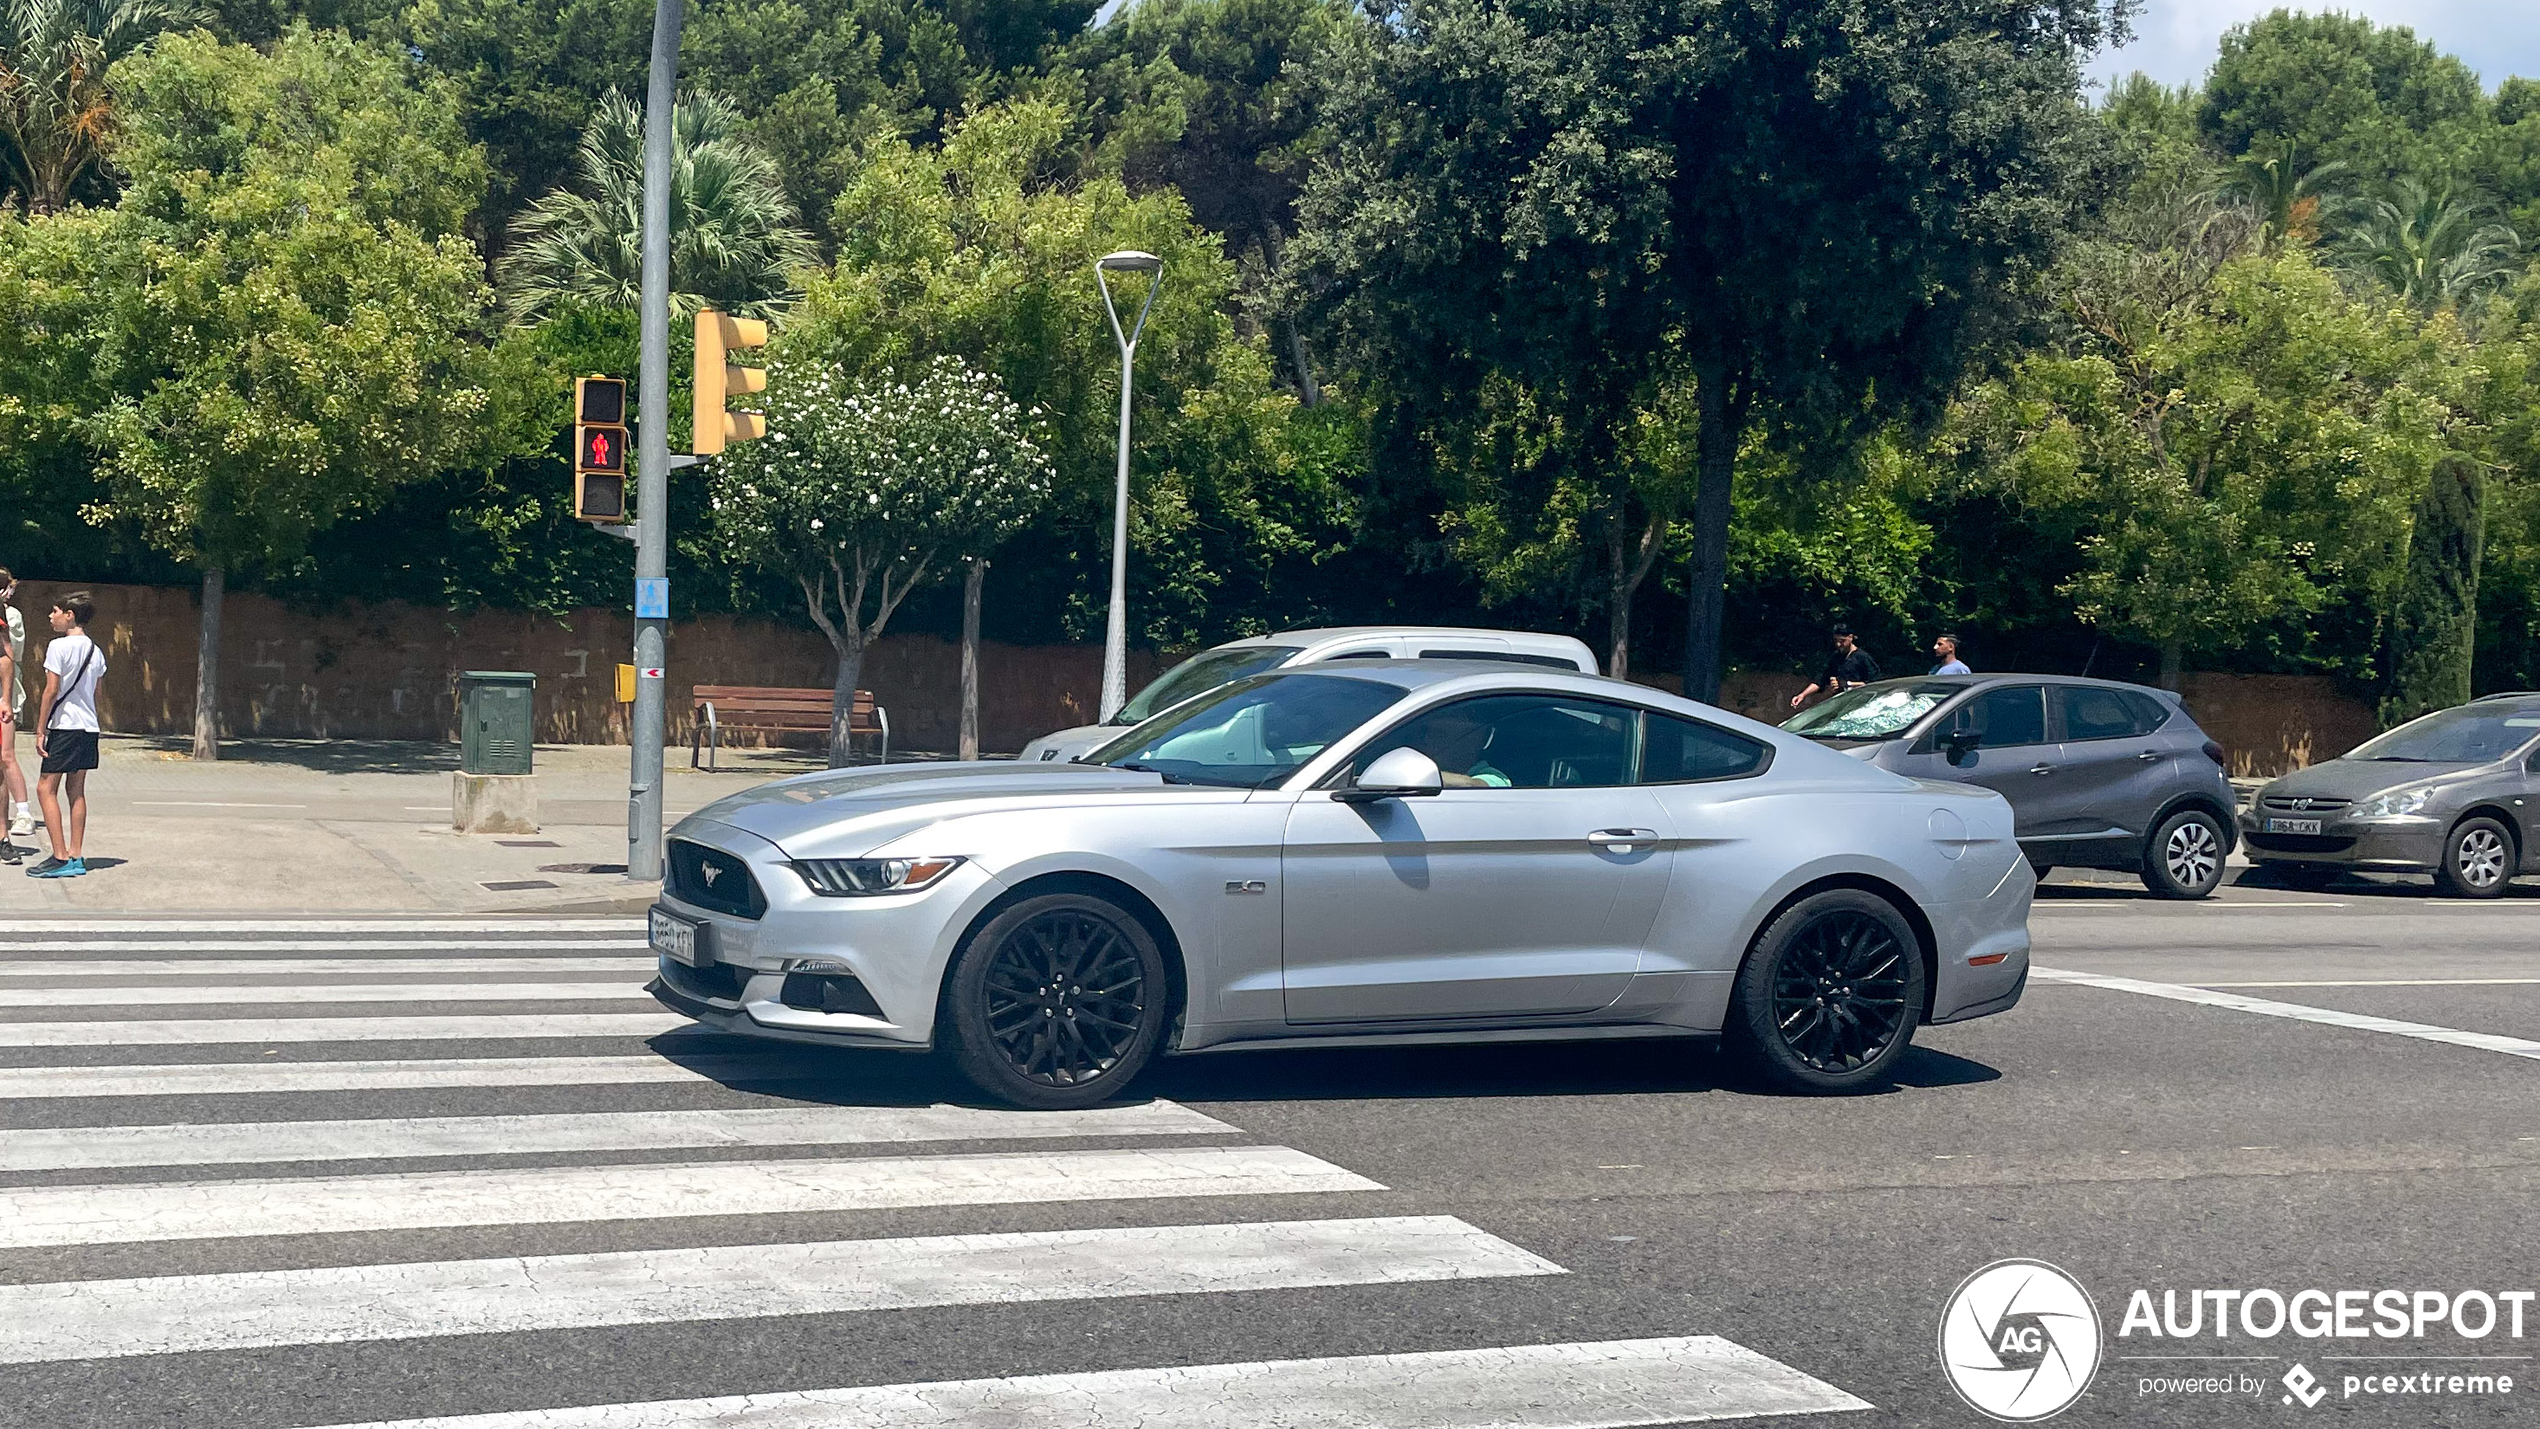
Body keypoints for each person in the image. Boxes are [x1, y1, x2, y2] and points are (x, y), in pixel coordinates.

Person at [29, 590, 103, 879]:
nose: (51, 616)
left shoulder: (58, 647)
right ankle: (76, 854)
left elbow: (51, 690)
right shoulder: (96, 651)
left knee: (45, 788)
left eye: (55, 611)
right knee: (76, 791)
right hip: (89, 727)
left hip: (65, 726)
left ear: (69, 615)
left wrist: (40, 728)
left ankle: (59, 856)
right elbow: (97, 692)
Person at [1789, 625, 1883, 709]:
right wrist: (1802, 695)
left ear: (1850, 637)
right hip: (1841, 703)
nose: (1838, 644)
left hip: (1860, 704)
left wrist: (1847, 684)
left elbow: (1874, 683)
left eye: (1842, 641)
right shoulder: (1835, 657)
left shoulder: (1862, 657)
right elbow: (1820, 680)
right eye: (1836, 640)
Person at [0, 569, 28, 841]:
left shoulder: (12, 616)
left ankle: (22, 813)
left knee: (5, 758)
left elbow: (12, 654)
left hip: (4, 694)